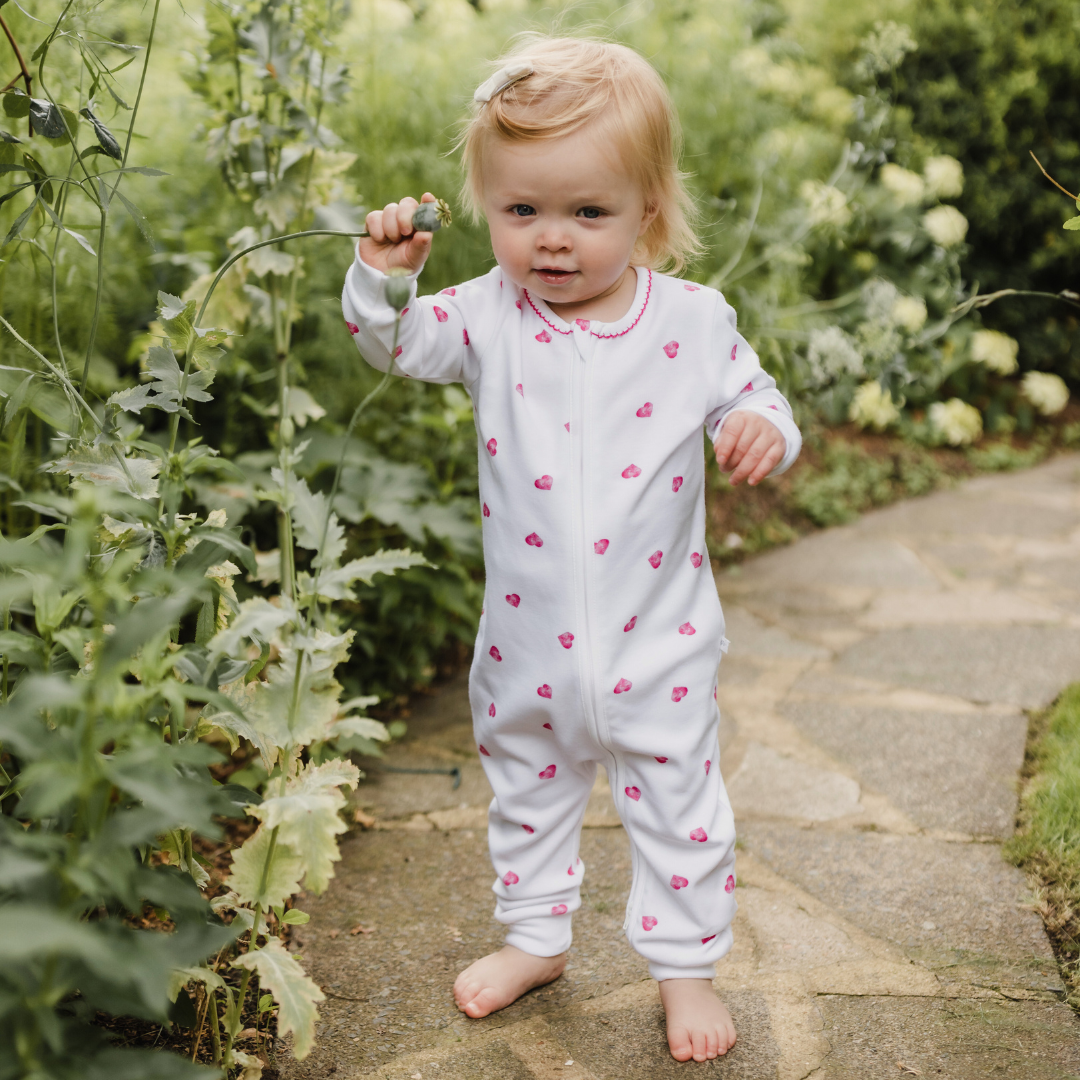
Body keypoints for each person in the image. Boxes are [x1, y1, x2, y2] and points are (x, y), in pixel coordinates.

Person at [341, 34, 801, 1063]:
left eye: (587, 213)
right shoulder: (487, 318)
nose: (552, 240)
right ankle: (537, 938)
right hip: (528, 647)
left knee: (682, 809)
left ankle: (685, 968)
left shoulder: (692, 320)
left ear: (647, 207)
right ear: (489, 207)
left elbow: (753, 394)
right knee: (527, 796)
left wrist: (765, 428)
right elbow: (395, 346)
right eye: (522, 212)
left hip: (662, 645)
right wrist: (382, 281)